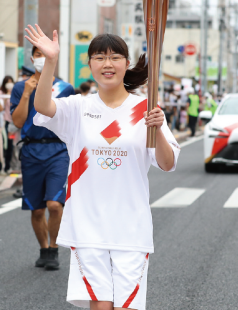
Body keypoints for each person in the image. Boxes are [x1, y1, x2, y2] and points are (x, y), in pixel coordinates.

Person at [25, 27, 179, 310]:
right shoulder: (78, 108)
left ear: (126, 63)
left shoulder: (146, 110)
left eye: (115, 57)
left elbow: (167, 164)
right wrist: (50, 60)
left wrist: (156, 129)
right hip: (88, 225)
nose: (107, 64)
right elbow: (43, 107)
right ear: (90, 64)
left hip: (131, 227)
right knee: (101, 306)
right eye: (99, 57)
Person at [10, 44, 75, 271]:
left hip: (58, 151)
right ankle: (44, 249)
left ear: (53, 59)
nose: (41, 59)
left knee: (54, 205)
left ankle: (54, 249)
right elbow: (17, 122)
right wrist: (27, 93)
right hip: (31, 151)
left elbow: (72, 121)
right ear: (32, 58)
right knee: (37, 209)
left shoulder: (66, 88)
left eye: (45, 56)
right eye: (38, 55)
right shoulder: (20, 87)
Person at [0, 76, 16, 174]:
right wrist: (7, 95)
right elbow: (1, 106)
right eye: (7, 82)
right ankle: (0, 166)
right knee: (3, 144)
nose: (9, 84)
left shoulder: (15, 92)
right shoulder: (2, 93)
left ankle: (8, 166)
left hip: (13, 123)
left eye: (11, 82)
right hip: (5, 122)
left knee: (11, 145)